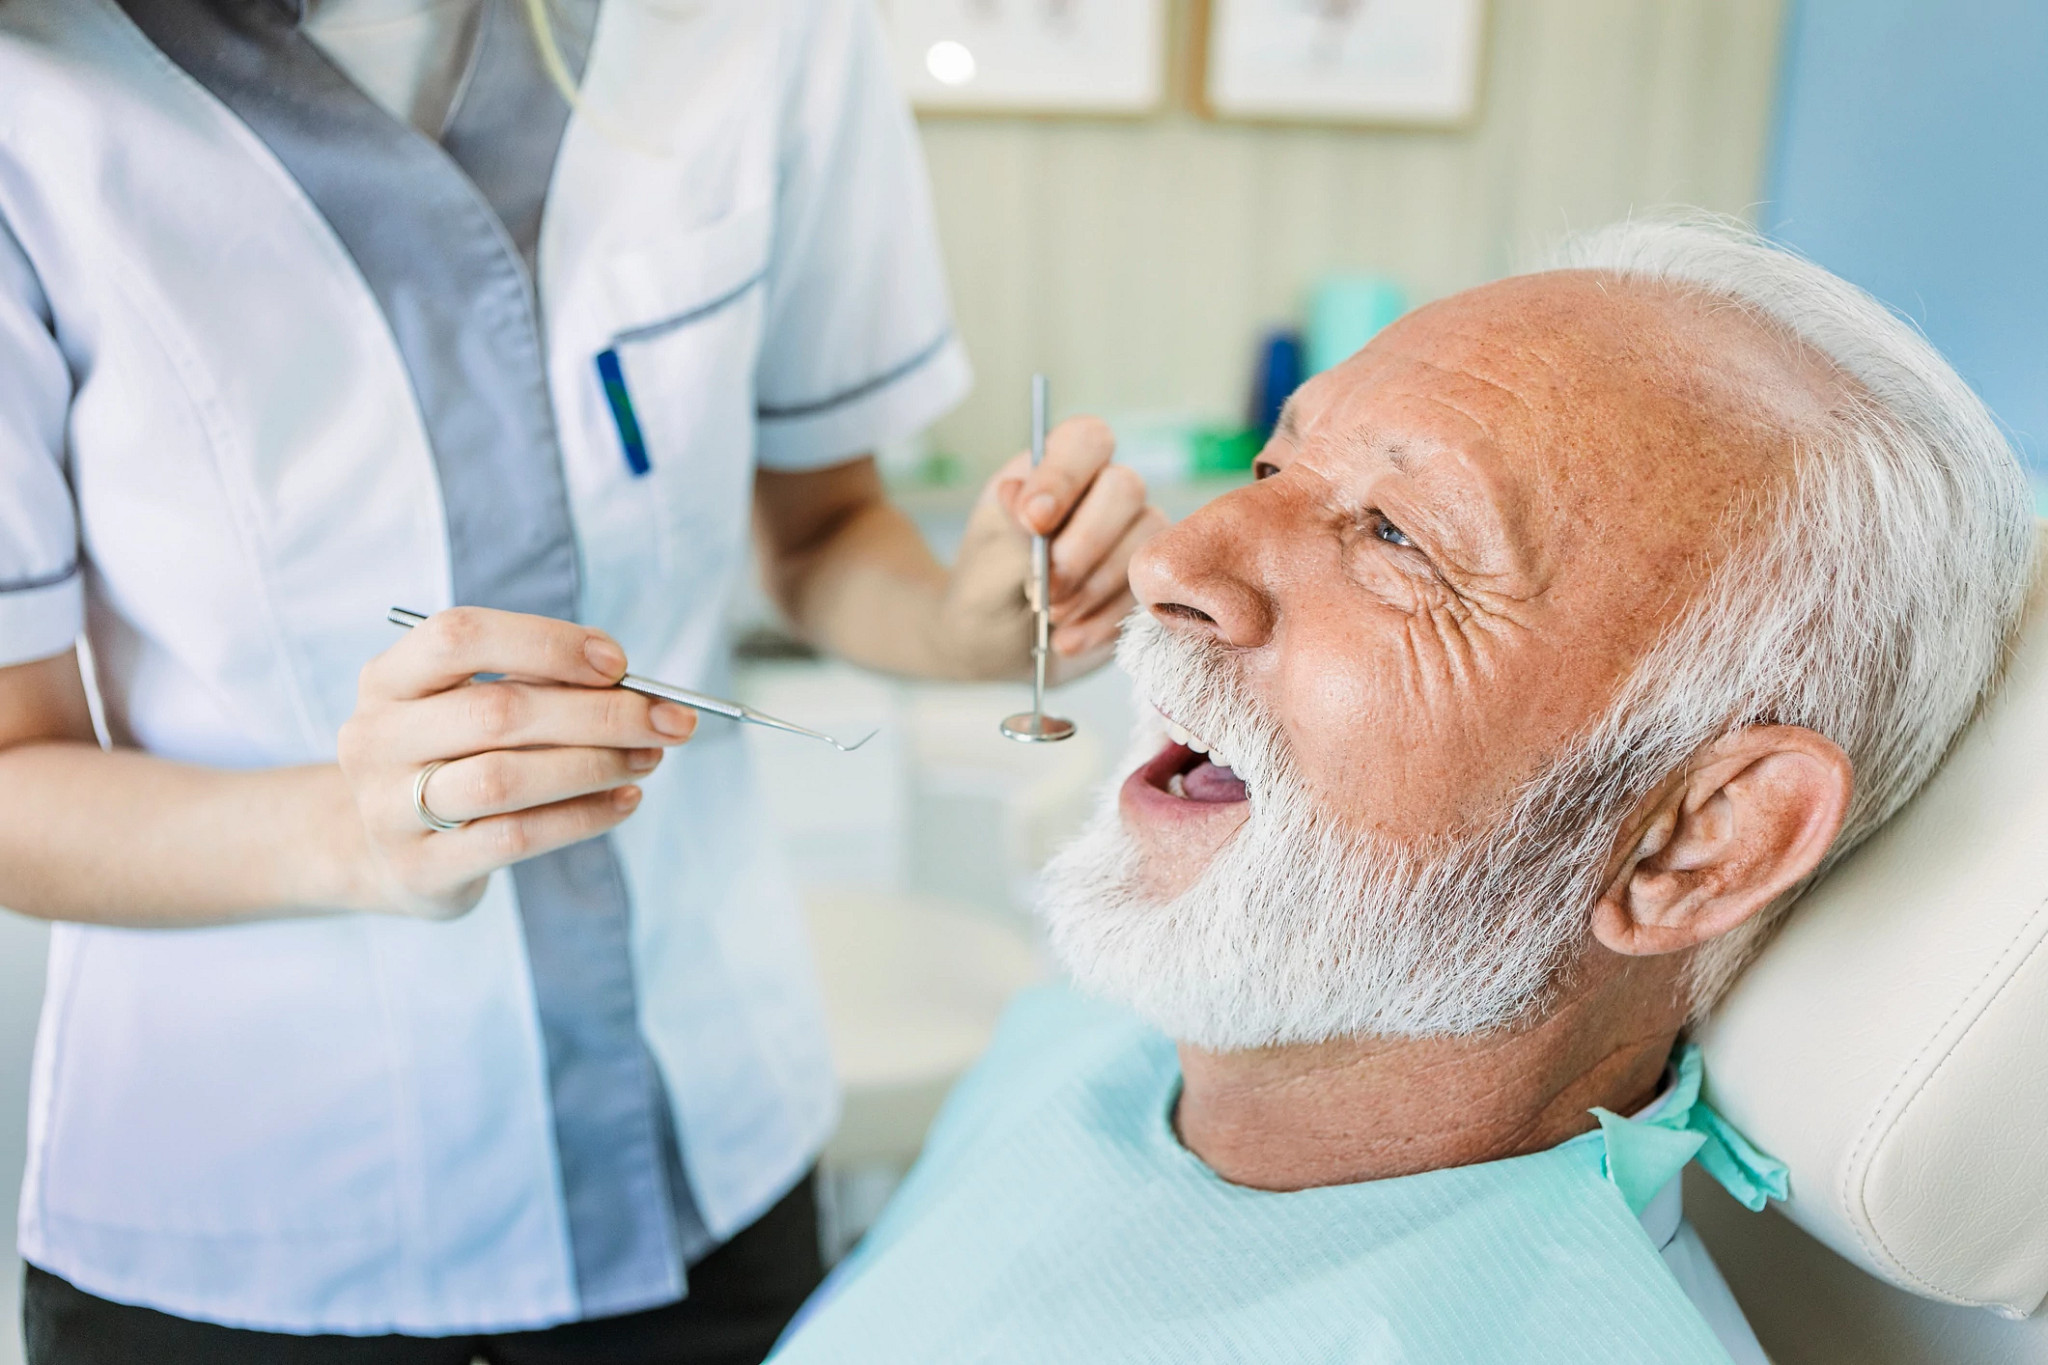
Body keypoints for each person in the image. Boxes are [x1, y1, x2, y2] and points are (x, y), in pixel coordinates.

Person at [0, 1, 1162, 1361]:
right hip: (252, 1217)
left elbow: (823, 529)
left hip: (708, 1166)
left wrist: (967, 631)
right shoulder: (37, 90)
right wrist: (353, 833)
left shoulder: (759, 30)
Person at [767, 217, 2040, 1364]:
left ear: (1694, 842)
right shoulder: (1078, 1051)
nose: (1172, 560)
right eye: (1271, 470)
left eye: (1398, 537)